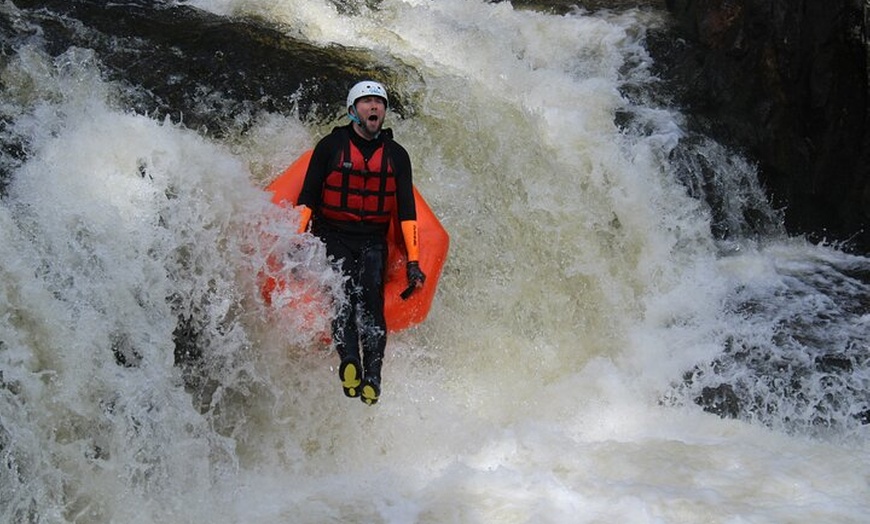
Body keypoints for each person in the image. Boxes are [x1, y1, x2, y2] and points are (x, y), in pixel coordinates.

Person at [295, 80, 426, 405]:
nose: (374, 108)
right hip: (334, 234)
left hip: (373, 241)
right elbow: (307, 197)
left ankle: (373, 377)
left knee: (371, 301)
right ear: (353, 110)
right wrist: (295, 240)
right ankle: (350, 362)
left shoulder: (397, 155)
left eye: (379, 103)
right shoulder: (331, 146)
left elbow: (407, 212)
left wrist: (413, 261)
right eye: (367, 102)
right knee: (344, 296)